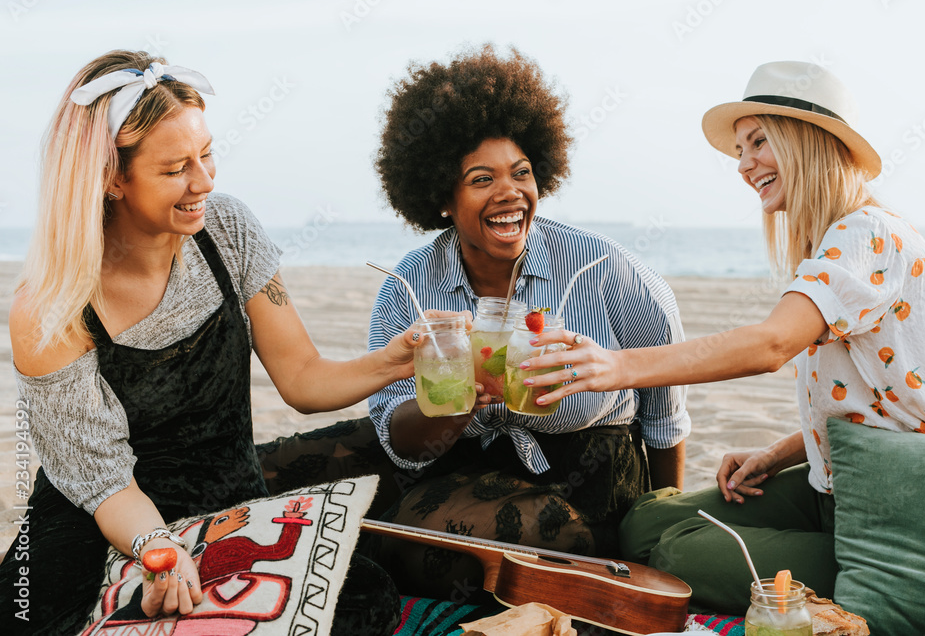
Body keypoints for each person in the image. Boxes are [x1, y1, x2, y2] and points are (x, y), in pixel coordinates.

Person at [0, 50, 428, 635]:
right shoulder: (49, 308)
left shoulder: (227, 230)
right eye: (176, 168)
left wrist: (395, 360)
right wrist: (158, 551)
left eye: (206, 154)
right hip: (103, 516)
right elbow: (102, 482)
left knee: (362, 598)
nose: (204, 181)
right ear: (111, 178)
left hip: (227, 505)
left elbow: (302, 379)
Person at [520, 61, 925, 613]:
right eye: (739, 151)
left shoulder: (867, 233)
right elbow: (876, 404)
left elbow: (771, 345)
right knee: (646, 523)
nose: (744, 164)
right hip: (837, 486)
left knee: (676, 555)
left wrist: (617, 366)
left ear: (809, 141)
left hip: (894, 515)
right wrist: (778, 454)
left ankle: (874, 586)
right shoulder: (836, 240)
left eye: (758, 142)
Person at [257, 44, 690, 597]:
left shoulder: (611, 273)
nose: (510, 193)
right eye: (482, 179)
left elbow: (665, 420)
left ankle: (363, 547)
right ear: (443, 196)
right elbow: (397, 438)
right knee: (268, 472)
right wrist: (458, 399)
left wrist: (656, 538)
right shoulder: (410, 284)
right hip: (453, 462)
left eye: (522, 173)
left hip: (579, 485)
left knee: (430, 545)